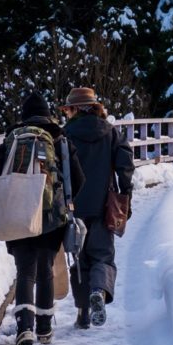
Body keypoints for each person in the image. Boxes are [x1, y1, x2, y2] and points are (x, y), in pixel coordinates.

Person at [0, 91, 84, 345]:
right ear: (47, 114)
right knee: (45, 268)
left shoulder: (12, 139)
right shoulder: (59, 138)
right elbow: (78, 178)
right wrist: (62, 200)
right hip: (50, 216)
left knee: (24, 271)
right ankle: (44, 328)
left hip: (18, 212)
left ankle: (24, 328)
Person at [61, 86, 134, 329]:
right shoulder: (111, 133)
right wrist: (125, 195)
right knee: (102, 255)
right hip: (104, 205)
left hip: (73, 206)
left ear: (73, 109)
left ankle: (82, 314)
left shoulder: (65, 135)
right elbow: (125, 165)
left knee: (79, 259)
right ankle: (99, 293)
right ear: (96, 107)